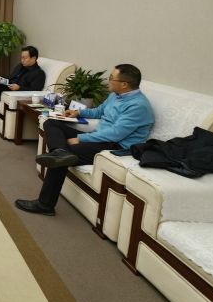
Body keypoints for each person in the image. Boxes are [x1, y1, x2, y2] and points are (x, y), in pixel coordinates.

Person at [15, 64, 154, 216]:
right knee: (51, 123)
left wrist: (80, 138)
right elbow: (99, 111)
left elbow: (114, 134)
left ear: (124, 84)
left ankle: (45, 205)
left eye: (111, 78)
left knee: (64, 155)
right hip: (100, 137)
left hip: (115, 146)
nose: (108, 80)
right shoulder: (116, 95)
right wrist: (78, 112)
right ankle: (59, 151)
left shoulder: (138, 106)